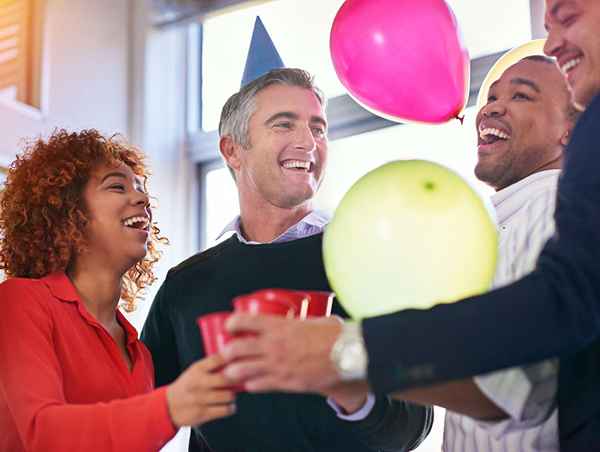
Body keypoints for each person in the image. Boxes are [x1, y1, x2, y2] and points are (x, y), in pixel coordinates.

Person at [221, 1, 600, 450]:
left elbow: (516, 383)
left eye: (520, 95)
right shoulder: (488, 230)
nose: (489, 109)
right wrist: (342, 369)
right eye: (491, 96)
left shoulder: (552, 207)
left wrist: (345, 354)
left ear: (571, 129)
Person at [141, 68, 433, 452]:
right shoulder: (186, 285)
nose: (308, 142)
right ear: (232, 150)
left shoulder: (370, 260)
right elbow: (137, 415)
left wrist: (345, 384)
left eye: (318, 128)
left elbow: (411, 426)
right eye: (284, 125)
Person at [0, 130, 235, 452]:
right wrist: (169, 407)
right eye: (117, 186)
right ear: (70, 213)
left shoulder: (137, 350)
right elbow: (43, 433)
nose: (142, 199)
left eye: (141, 189)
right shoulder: (21, 301)